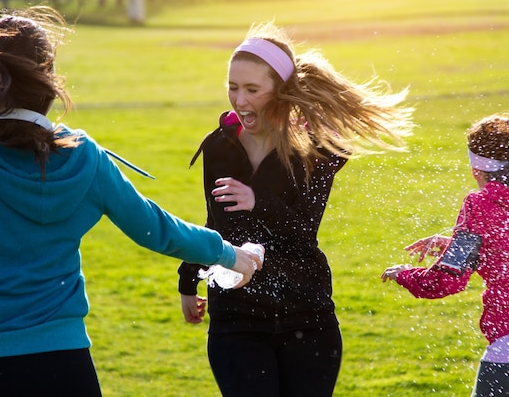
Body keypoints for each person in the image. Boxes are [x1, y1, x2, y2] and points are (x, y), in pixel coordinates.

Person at [0, 6, 262, 397]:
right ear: (48, 76)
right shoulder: (84, 159)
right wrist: (230, 254)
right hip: (61, 364)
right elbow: (156, 229)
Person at [177, 21, 414, 397]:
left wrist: (259, 202)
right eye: (233, 87)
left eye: (253, 89)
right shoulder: (219, 146)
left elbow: (304, 232)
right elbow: (216, 222)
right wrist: (188, 278)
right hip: (236, 315)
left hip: (307, 313)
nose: (240, 100)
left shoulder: (314, 151)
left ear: (281, 91)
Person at [382, 114, 509, 397]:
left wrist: (404, 274)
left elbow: (447, 281)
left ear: (476, 170)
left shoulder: (479, 204)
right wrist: (454, 243)